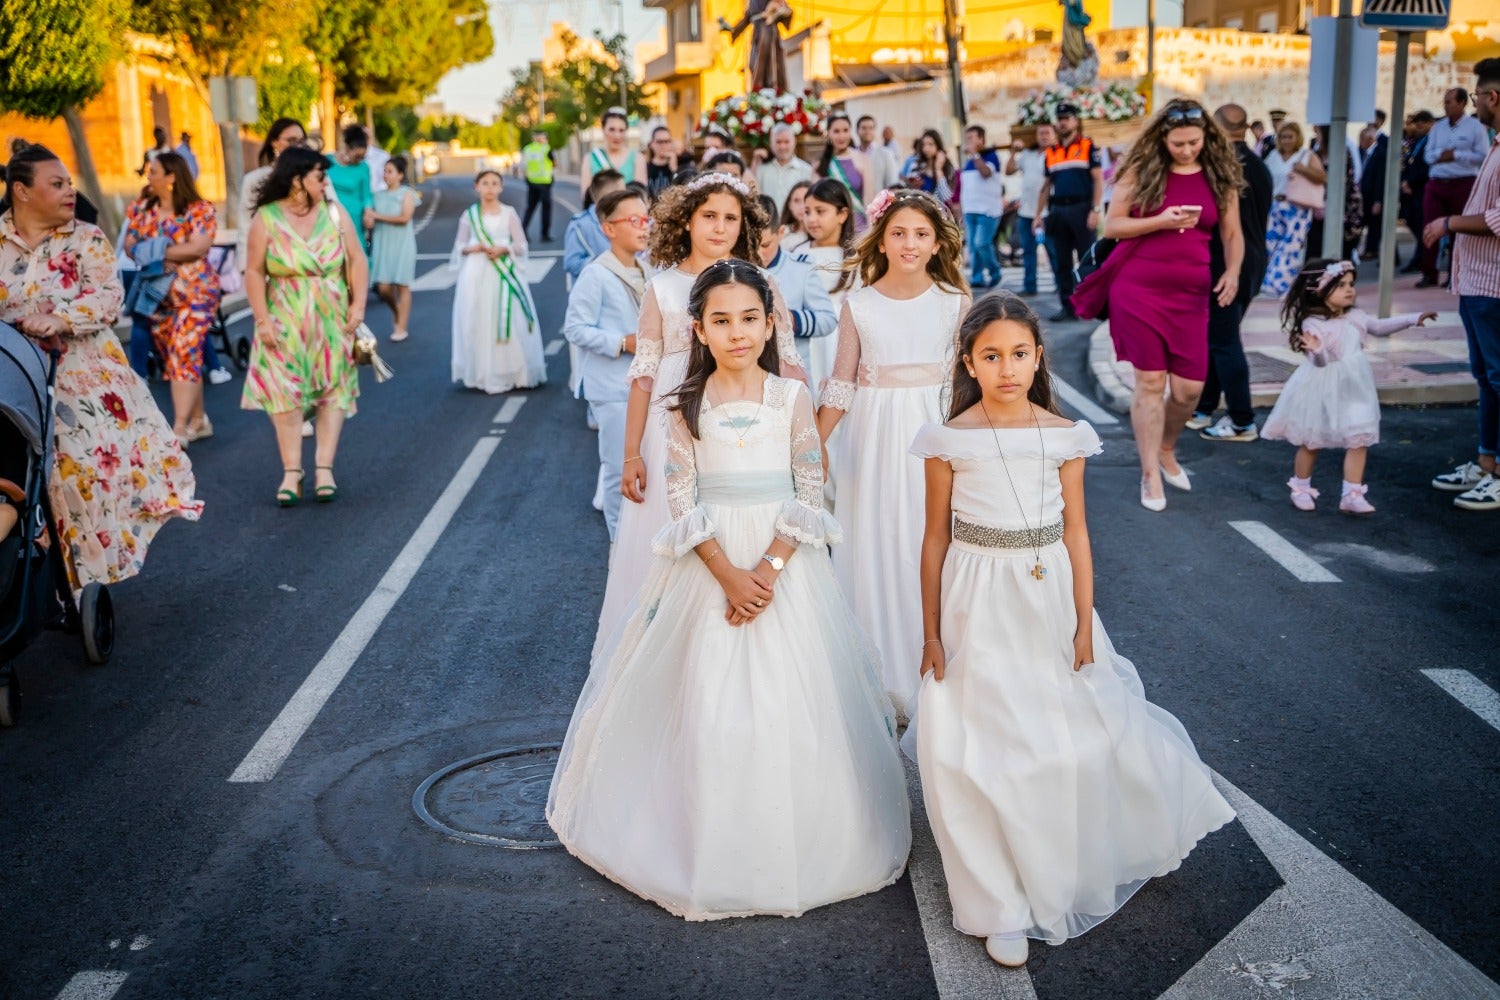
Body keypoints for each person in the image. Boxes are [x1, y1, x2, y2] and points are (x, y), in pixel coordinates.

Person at [548, 260, 909, 921]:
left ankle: (799, 834)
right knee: (707, 691)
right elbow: (682, 496)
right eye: (721, 321)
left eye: (749, 319)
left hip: (783, 561)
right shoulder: (684, 404)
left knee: (793, 693)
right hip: (710, 560)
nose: (737, 332)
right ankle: (702, 834)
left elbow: (809, 488)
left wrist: (766, 571)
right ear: (699, 330)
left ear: (770, 325)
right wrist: (726, 573)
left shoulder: (791, 397)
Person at [911, 292, 1234, 967]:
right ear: (969, 362)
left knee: (1063, 735)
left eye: (1018, 354)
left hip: (1048, 595)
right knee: (969, 745)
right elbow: (935, 539)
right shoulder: (947, 439)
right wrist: (932, 632)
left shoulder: (1065, 435)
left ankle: (1062, 856)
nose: (1006, 369)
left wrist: (1084, 623)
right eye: (991, 356)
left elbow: (1078, 534)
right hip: (975, 597)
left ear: (1037, 358)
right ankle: (996, 899)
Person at [594, 173, 804, 663]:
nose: (720, 227)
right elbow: (644, 375)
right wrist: (631, 453)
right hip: (672, 424)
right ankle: (664, 654)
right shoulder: (663, 287)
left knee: (736, 525)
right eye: (709, 216)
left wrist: (803, 438)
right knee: (671, 530)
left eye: (731, 218)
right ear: (685, 221)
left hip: (743, 425)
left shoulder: (761, 283)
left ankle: (733, 644)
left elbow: (789, 365)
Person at [0, 144, 202, 585]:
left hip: (82, 377)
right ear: (22, 191)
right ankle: (37, 571)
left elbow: (110, 297)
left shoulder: (86, 238)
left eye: (69, 183)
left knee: (83, 477)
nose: (70, 191)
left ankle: (80, 579)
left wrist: (61, 318)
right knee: (22, 477)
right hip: (14, 377)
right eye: (57, 184)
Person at [815, 188, 971, 717]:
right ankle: (883, 669)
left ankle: (941, 655)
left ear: (937, 243)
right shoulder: (858, 305)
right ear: (880, 240)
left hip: (937, 432)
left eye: (921, 234)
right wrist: (813, 442)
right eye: (899, 233)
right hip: (876, 439)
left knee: (936, 537)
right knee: (881, 539)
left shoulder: (954, 303)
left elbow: (969, 382)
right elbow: (842, 383)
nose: (909, 244)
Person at [1101, 98, 1244, 512]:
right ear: (1162, 138)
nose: (1185, 150)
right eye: (1178, 143)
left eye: (1193, 143)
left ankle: (1166, 447)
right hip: (1138, 290)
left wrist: (1233, 271)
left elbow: (1233, 234)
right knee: (1149, 382)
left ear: (1207, 137)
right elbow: (1113, 225)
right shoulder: (1141, 170)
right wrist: (1161, 221)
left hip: (1191, 296)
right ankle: (1149, 473)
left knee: (1188, 391)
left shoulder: (1218, 174)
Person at [242, 146, 367, 505]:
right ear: (297, 179)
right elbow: (254, 271)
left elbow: (357, 259)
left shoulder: (333, 212)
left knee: (332, 390)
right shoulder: (267, 218)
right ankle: (292, 471)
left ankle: (324, 467)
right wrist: (262, 319)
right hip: (284, 318)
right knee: (285, 395)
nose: (326, 181)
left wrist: (358, 306)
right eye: (319, 175)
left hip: (332, 318)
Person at [1263, 260, 1435, 514]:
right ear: (1319, 290)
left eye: (1351, 284)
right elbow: (1320, 362)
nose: (1349, 289)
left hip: (1355, 385)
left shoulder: (1355, 316)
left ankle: (1352, 494)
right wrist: (1317, 350)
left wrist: (1412, 318)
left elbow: (1379, 327)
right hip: (1322, 386)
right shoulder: (1313, 324)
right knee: (1312, 439)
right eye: (1341, 285)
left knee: (1359, 436)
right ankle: (1300, 487)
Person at [1424, 58, 1500, 511]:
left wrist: (1448, 222)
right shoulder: (1494, 143)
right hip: (1476, 282)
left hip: (1494, 284)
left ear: (1493, 97)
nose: (1475, 105)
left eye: (1476, 97)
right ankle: (1487, 462)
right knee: (1486, 378)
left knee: (1498, 377)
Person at [564, 188, 651, 540]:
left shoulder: (647, 269)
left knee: (646, 467)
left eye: (646, 219)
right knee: (618, 469)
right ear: (609, 229)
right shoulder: (596, 274)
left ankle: (640, 544)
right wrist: (621, 342)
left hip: (644, 386)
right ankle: (619, 544)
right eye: (634, 220)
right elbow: (575, 327)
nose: (643, 227)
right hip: (613, 387)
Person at [123, 151, 220, 443]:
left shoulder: (199, 209)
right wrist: (167, 253)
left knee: (182, 355)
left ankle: (178, 429)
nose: (149, 176)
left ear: (171, 177)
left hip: (196, 293)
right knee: (178, 358)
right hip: (157, 295)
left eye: (154, 171)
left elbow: (198, 247)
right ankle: (199, 420)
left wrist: (155, 251)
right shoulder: (142, 209)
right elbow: (130, 246)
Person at [1191, 104, 1273, 443]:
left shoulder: (1221, 167)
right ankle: (1204, 408)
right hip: (1254, 260)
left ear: (1217, 126)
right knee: (1219, 337)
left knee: (1224, 341)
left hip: (1226, 263)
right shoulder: (1260, 165)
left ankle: (1242, 420)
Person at [448, 170, 545, 395]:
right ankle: (482, 372)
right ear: (477, 186)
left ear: (501, 187)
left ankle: (513, 371)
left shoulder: (509, 213)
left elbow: (521, 245)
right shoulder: (469, 215)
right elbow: (459, 247)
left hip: (504, 271)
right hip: (476, 274)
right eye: (485, 183)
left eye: (494, 183)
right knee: (479, 319)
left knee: (509, 319)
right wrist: (474, 248)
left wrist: (504, 248)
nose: (490, 188)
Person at [1035, 102, 1102, 322]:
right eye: (1060, 119)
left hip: (1082, 209)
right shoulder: (1051, 152)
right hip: (1058, 211)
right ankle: (1067, 306)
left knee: (1087, 259)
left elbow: (1097, 179)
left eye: (1067, 118)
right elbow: (1046, 186)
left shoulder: (1087, 146)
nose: (1063, 122)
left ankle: (1091, 306)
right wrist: (1038, 215)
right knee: (1062, 262)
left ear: (1075, 121)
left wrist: (1095, 209)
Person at [758, 194, 837, 374]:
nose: (758, 253)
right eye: (751, 244)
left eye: (765, 245)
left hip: (793, 377)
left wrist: (793, 319)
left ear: (780, 232)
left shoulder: (801, 267)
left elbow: (828, 319)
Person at [792, 179, 857, 393]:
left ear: (842, 214)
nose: (812, 219)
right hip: (808, 336)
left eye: (820, 211)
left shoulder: (856, 258)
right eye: (807, 212)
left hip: (843, 337)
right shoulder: (798, 254)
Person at [1420, 87, 1489, 288]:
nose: (1446, 106)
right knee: (1430, 226)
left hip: (1463, 183)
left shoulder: (1475, 127)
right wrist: (1442, 155)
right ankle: (1428, 273)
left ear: (1461, 103)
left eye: (1450, 102)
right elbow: (1428, 155)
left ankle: (1455, 274)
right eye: (1445, 102)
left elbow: (1483, 156)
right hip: (1437, 182)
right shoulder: (1438, 127)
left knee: (1459, 229)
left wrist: (1457, 155)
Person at [1261, 122, 1324, 296]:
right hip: (1276, 205)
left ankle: (1282, 284)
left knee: (1290, 246)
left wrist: (1302, 170)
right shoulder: (1273, 156)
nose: (1286, 140)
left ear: (1297, 137)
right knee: (1271, 244)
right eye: (1283, 137)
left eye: (1290, 137)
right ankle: (1270, 280)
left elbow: (1321, 177)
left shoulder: (1306, 155)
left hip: (1298, 206)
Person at [238, 118, 308, 268]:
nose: (298, 146)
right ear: (274, 143)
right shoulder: (254, 180)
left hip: (310, 259)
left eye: (302, 141)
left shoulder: (316, 176)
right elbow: (246, 226)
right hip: (270, 261)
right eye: (291, 140)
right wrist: (245, 267)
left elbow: (331, 213)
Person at [368, 155, 418, 342]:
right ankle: (397, 310)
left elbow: (404, 218)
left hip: (402, 244)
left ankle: (401, 327)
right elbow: (370, 219)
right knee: (383, 288)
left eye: (390, 171)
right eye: (384, 171)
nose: (385, 175)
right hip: (382, 244)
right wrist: (369, 220)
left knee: (402, 285)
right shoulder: (377, 196)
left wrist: (377, 216)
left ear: (400, 175)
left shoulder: (407, 193)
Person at [1007, 124, 1055, 297]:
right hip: (1026, 212)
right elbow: (1009, 170)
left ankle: (1060, 283)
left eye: (1047, 133)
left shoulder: (1055, 154)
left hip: (1048, 212)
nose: (1044, 136)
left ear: (1054, 135)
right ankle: (1030, 285)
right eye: (1041, 133)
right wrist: (1013, 152)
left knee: (1053, 250)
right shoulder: (1027, 155)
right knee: (1028, 251)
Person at [959, 125, 1004, 290]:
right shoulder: (969, 161)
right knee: (972, 246)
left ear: (981, 139)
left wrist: (975, 154)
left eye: (971, 138)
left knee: (982, 243)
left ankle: (995, 273)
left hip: (988, 210)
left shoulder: (991, 156)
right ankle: (977, 277)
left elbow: (985, 172)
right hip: (970, 209)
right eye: (967, 138)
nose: (968, 141)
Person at [564, 169, 627, 284]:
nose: (627, 197)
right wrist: (603, 262)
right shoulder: (580, 224)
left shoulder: (626, 219)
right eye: (623, 193)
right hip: (593, 290)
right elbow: (571, 263)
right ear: (610, 197)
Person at [816, 112, 873, 224]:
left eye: (845, 130)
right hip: (831, 224)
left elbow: (869, 199)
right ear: (828, 133)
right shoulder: (820, 164)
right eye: (836, 131)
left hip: (858, 224)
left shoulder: (863, 159)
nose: (841, 136)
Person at [325, 125, 374, 250]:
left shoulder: (363, 168)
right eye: (357, 156)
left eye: (362, 157)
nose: (359, 160)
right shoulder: (327, 161)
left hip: (354, 218)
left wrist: (368, 213)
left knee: (355, 252)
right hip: (329, 215)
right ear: (347, 147)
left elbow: (367, 195)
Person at [1399, 111, 1435, 273]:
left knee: (1421, 224)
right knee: (1412, 221)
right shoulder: (1417, 142)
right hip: (1411, 190)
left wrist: (1411, 181)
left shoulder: (1430, 141)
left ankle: (1420, 259)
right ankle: (1419, 256)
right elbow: (1409, 163)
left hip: (1421, 188)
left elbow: (1426, 167)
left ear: (1430, 124)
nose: (1417, 128)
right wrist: (1405, 181)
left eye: (1421, 125)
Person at [754, 124, 814, 216]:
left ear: (794, 142)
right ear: (771, 143)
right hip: (768, 221)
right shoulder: (761, 170)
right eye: (778, 142)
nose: (782, 146)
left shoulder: (807, 170)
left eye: (786, 142)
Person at [583, 108, 647, 190]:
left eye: (621, 130)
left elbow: (640, 192)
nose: (617, 136)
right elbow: (586, 194)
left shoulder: (638, 158)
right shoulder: (590, 158)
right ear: (603, 129)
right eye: (612, 129)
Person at [1358, 125, 1389, 262]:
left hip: (1373, 195)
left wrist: (1378, 200)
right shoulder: (1363, 153)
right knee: (1364, 222)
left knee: (1374, 224)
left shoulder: (1380, 153)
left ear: (1370, 139)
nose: (1360, 142)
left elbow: (1380, 179)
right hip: (1363, 195)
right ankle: (1367, 249)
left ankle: (1372, 250)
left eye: (1362, 139)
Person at [900, 129, 956, 201]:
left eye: (930, 144)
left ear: (938, 145)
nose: (926, 149)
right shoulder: (916, 165)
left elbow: (946, 197)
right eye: (924, 145)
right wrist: (912, 185)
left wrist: (938, 169)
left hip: (936, 207)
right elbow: (908, 191)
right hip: (918, 205)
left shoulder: (947, 168)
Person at [521, 129, 555, 243]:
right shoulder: (546, 149)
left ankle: (523, 231)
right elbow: (555, 163)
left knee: (530, 207)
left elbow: (523, 165)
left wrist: (527, 178)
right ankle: (545, 234)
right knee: (546, 208)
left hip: (531, 182)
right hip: (544, 183)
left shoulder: (527, 149)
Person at [855, 114, 899, 195]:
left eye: (871, 128)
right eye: (864, 128)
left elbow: (892, 184)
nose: (867, 131)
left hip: (878, 200)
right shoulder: (852, 154)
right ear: (857, 130)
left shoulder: (886, 154)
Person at [778, 179, 812, 253]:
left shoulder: (820, 237)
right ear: (789, 204)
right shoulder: (781, 232)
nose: (802, 206)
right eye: (797, 201)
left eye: (806, 200)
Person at [646, 125, 679, 200]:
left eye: (666, 141)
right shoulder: (644, 168)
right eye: (659, 142)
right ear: (652, 144)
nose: (663, 145)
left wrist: (674, 170)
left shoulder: (681, 166)